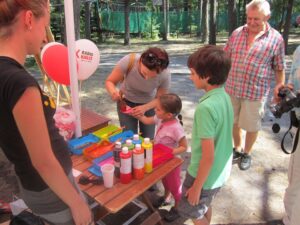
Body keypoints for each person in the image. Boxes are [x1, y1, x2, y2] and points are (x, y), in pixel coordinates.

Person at [0, 1, 92, 225]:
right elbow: (43, 161)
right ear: (29, 19)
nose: (44, 38)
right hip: (51, 190)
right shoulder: (20, 83)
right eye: (45, 27)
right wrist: (78, 204)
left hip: (33, 184)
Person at [224, 0, 286, 170]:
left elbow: (279, 67)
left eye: (256, 19)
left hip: (255, 92)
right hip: (232, 88)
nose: (251, 22)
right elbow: (225, 56)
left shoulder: (276, 39)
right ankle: (236, 148)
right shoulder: (237, 33)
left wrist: (279, 86)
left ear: (267, 17)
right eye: (249, 18)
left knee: (252, 125)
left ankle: (247, 152)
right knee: (233, 122)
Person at [178, 45, 233, 225]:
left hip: (203, 176)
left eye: (193, 73)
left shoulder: (205, 108)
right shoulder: (224, 96)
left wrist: (196, 187)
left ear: (207, 76)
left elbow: (207, 157)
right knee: (204, 206)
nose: (190, 77)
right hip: (219, 173)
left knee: (193, 212)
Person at [135, 93, 188, 222]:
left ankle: (177, 208)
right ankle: (166, 198)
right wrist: (139, 115)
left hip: (172, 162)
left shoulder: (176, 128)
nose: (155, 110)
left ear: (169, 115)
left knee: (175, 186)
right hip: (162, 159)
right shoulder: (160, 118)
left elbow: (184, 147)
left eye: (158, 109)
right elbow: (148, 121)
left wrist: (170, 152)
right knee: (165, 181)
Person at [105, 47, 170, 139]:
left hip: (149, 105)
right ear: (139, 61)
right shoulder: (129, 61)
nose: (146, 79)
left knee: (147, 139)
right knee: (129, 138)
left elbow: (161, 98)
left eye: (152, 76)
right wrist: (113, 92)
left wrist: (145, 107)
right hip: (126, 103)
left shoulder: (165, 74)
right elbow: (110, 81)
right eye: (144, 73)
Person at [282, 46, 300, 225]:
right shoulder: (299, 51)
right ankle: (289, 218)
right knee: (294, 176)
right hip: (297, 125)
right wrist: (286, 91)